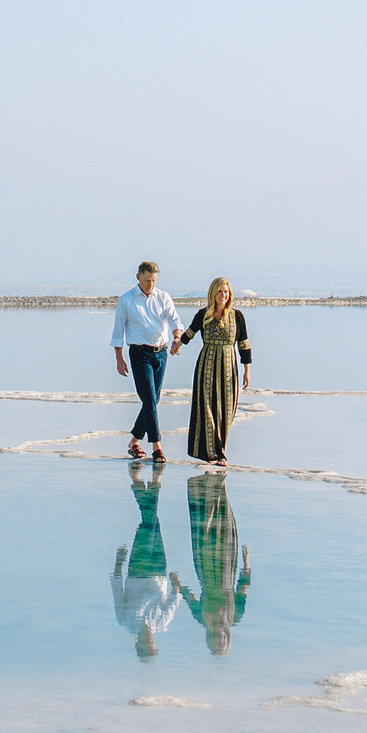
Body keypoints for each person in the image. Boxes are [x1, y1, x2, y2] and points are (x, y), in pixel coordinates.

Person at [110, 261, 186, 462]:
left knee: (153, 400)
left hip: (161, 354)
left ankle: (134, 441)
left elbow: (175, 321)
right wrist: (119, 357)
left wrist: (177, 338)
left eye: (153, 281)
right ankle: (156, 446)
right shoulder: (126, 300)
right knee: (150, 400)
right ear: (138, 277)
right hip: (139, 354)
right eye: (147, 280)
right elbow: (118, 330)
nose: (150, 285)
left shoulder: (163, 297)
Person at [110, 462, 185, 658]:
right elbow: (174, 599)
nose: (149, 639)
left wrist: (119, 562)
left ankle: (148, 481)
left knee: (148, 523)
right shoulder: (162, 623)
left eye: (146, 643)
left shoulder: (125, 620)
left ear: (138, 642)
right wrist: (176, 582)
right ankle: (141, 481)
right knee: (153, 523)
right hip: (160, 569)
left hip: (138, 568)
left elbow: (117, 591)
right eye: (152, 643)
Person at [174, 277, 252, 466]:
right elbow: (190, 333)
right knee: (207, 408)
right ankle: (216, 453)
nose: (223, 295)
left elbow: (244, 345)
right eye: (220, 292)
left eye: (226, 292)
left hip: (228, 366)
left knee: (227, 409)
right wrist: (177, 345)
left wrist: (246, 371)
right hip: (207, 366)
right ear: (213, 293)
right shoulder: (203, 314)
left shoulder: (237, 316)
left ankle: (219, 448)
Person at [180, 472, 251, 655]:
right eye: (222, 642)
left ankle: (206, 483)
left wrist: (177, 583)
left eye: (217, 642)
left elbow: (189, 598)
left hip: (205, 568)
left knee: (204, 528)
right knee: (223, 522)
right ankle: (218, 482)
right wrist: (246, 562)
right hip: (226, 567)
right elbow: (243, 588)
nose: (219, 638)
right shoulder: (235, 616)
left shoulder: (203, 619)